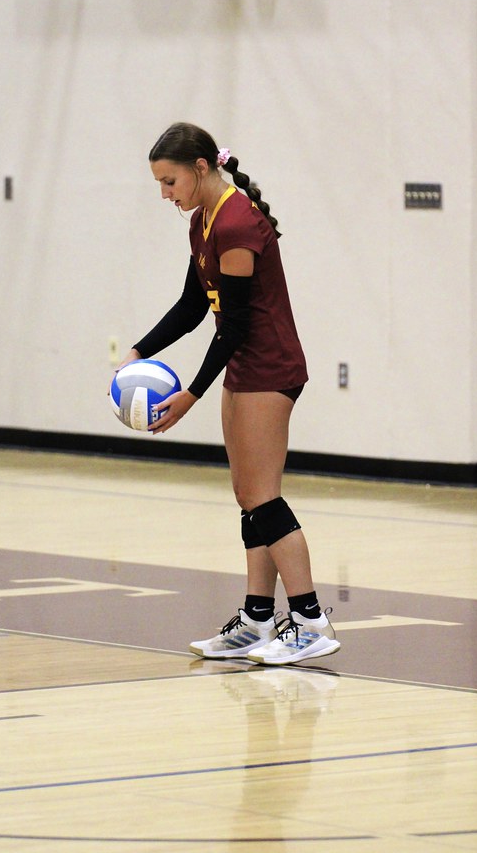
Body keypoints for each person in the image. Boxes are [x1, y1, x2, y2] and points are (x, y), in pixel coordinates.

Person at [117, 122, 340, 665]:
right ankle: (257, 620)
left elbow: (233, 326)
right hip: (244, 367)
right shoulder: (204, 222)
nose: (164, 194)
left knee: (263, 495)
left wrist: (191, 393)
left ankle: (311, 620)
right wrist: (139, 352)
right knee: (248, 495)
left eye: (169, 182)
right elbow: (195, 306)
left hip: (269, 366)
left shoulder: (239, 222)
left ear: (199, 168)